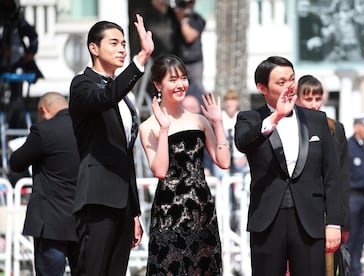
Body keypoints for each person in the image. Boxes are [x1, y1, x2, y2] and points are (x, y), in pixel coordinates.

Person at [234, 56, 342, 275]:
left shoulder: (317, 120)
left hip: (309, 221)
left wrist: (333, 222)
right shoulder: (250, 119)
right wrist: (276, 117)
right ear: (262, 87)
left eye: (292, 79)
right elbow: (243, 143)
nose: (289, 86)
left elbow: (332, 175)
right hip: (267, 220)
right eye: (281, 82)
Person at [68, 15, 154, 276]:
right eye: (114, 43)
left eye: (124, 44)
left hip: (123, 204)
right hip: (97, 198)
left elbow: (126, 156)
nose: (122, 50)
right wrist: (140, 60)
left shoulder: (124, 98)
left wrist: (135, 212)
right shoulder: (82, 84)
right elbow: (105, 97)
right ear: (94, 48)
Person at [139, 54, 230, 275]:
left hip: (202, 208)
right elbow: (160, 170)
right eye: (173, 79)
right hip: (170, 212)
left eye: (183, 78)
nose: (180, 84)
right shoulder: (148, 127)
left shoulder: (199, 120)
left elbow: (224, 161)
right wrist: (163, 129)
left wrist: (217, 123)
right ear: (158, 85)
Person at [9, 92, 79, 275]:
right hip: (83, 221)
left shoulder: (44, 130)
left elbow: (16, 162)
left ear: (43, 110)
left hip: (51, 223)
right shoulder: (86, 128)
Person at [295, 74, 350, 273]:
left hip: (328, 213)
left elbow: (342, 176)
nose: (314, 104)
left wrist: (343, 221)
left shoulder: (335, 128)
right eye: (308, 98)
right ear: (297, 98)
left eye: (317, 99)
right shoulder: (290, 126)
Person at [0, 0, 43, 129]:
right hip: (2, 65)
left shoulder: (17, 20)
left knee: (17, 100)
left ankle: (14, 129)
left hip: (15, 66)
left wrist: (30, 53)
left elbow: (33, 36)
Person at [347, 114, 364, 276]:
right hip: (353, 196)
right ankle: (350, 270)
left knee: (361, 238)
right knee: (351, 237)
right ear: (356, 127)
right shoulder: (348, 147)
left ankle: (356, 269)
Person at [174, 0, 206, 103]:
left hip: (194, 62)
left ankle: (201, 116)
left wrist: (183, 20)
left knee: (197, 92)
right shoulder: (171, 17)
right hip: (177, 61)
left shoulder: (198, 19)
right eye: (183, 3)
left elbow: (189, 36)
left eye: (190, 2)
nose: (187, 5)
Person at [213, 90, 249, 178]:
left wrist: (245, 157)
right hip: (223, 156)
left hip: (240, 158)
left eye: (233, 101)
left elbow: (248, 139)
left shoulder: (242, 117)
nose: (230, 105)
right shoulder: (220, 118)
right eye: (228, 102)